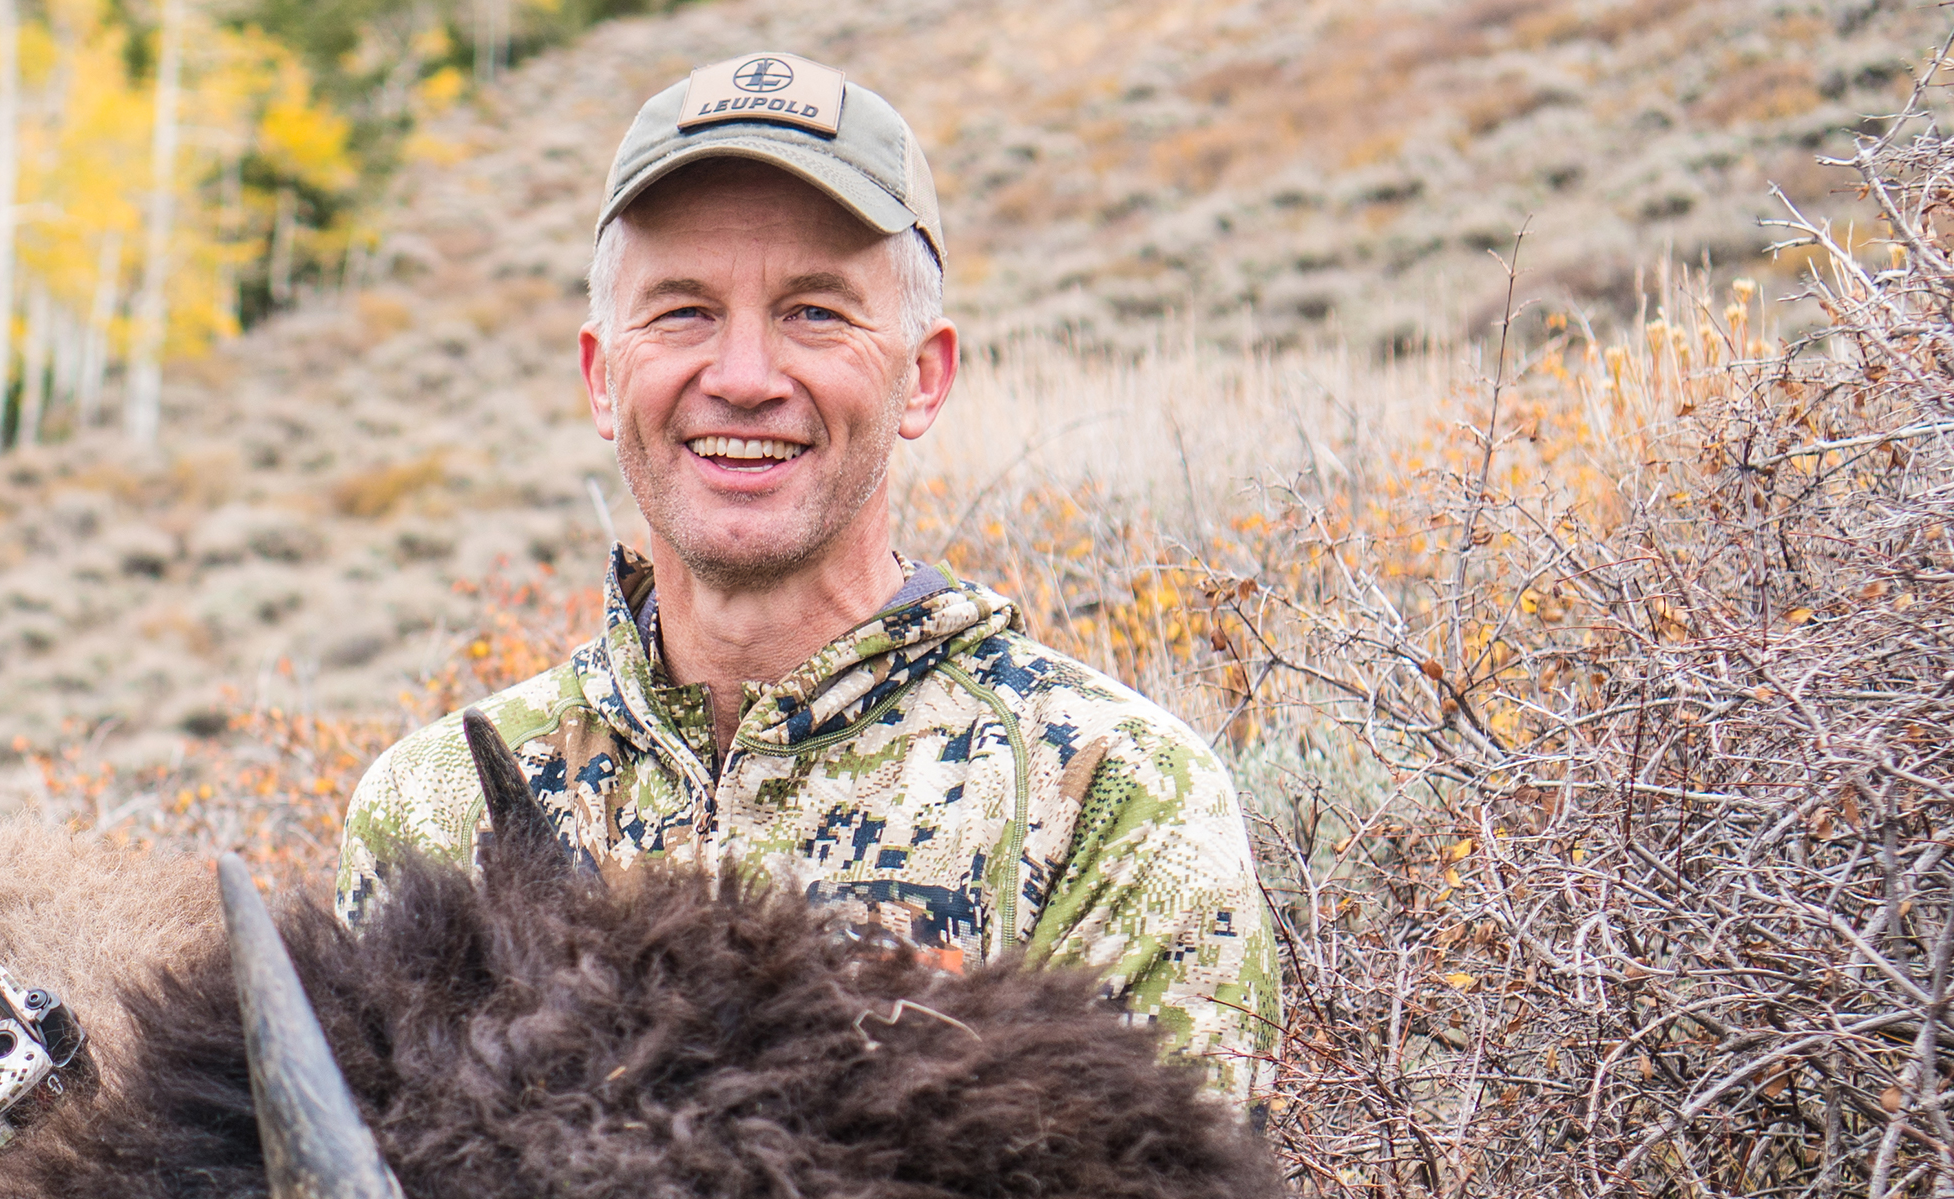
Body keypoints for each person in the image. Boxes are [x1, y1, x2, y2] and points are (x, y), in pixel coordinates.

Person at [333, 51, 1278, 1100]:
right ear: (604, 379)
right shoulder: (433, 809)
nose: (742, 378)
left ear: (922, 378)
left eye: (815, 312)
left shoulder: (1110, 798)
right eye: (684, 310)